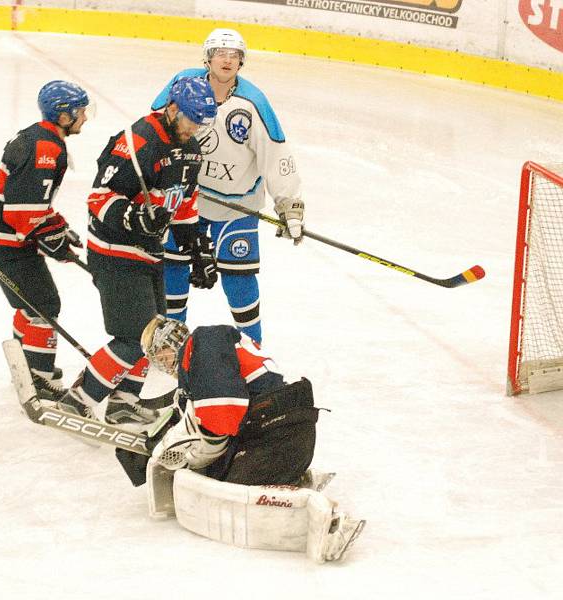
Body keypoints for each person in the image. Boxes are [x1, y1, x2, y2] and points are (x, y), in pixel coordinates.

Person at [123, 317, 364, 563]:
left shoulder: (203, 344)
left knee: (227, 496)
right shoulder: (210, 349)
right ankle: (294, 479)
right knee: (217, 478)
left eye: (161, 354)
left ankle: (327, 522)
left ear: (173, 341)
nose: (164, 364)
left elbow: (220, 421)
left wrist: (189, 456)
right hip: (283, 432)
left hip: (275, 434)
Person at [56, 76, 219, 429]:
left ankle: (124, 401)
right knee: (135, 338)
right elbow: (99, 198)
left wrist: (197, 249)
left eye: (201, 122)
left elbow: (185, 202)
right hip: (114, 249)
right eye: (191, 118)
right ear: (172, 108)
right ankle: (78, 399)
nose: (195, 128)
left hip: (149, 251)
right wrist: (134, 216)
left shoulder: (192, 147)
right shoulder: (138, 141)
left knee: (158, 336)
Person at [151, 28, 304, 344]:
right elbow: (154, 128)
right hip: (184, 199)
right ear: (207, 57)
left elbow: (275, 153)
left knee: (240, 277)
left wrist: (289, 203)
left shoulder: (253, 102)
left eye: (234, 55)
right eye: (221, 53)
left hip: (236, 206)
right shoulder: (184, 84)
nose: (227, 60)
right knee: (174, 269)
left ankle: (253, 349)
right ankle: (170, 346)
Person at [0, 80, 92, 403]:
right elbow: (22, 212)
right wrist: (51, 239)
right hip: (3, 238)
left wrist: (56, 227)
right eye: (80, 112)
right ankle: (37, 375)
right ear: (63, 116)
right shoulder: (46, 148)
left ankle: (27, 362)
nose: (85, 118)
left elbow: (30, 201)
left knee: (31, 302)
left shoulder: (40, 136)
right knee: (45, 305)